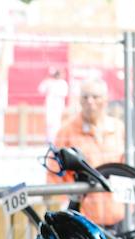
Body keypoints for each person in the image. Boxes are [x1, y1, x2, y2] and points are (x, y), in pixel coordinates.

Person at [47, 77, 125, 229]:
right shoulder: (67, 131)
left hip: (116, 213)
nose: (90, 101)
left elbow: (126, 167)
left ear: (106, 99)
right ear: (79, 100)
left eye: (95, 96)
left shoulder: (118, 128)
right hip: (83, 218)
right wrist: (67, 201)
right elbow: (53, 171)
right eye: (85, 97)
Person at [38, 68, 68, 143]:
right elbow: (41, 90)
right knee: (49, 123)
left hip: (58, 105)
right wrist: (47, 80)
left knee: (57, 123)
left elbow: (64, 93)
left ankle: (56, 140)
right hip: (50, 105)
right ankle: (49, 140)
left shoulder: (62, 83)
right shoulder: (49, 82)